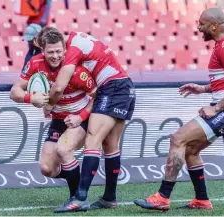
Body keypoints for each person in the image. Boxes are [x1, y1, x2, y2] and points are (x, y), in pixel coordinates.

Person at [133, 7, 224, 211]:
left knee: (178, 139)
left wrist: (216, 108)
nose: (199, 27)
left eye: (202, 24)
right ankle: (202, 200)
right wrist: (203, 89)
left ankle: (162, 197)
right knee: (191, 150)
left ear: (214, 25)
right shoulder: (223, 44)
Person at [43, 29, 136, 212]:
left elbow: (59, 86)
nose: (56, 54)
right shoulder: (77, 38)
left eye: (57, 50)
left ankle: (81, 198)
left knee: (92, 141)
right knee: (110, 145)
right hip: (123, 86)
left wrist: (48, 105)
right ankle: (109, 198)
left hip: (112, 87)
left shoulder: (73, 48)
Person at [9, 28, 97, 204]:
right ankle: (75, 177)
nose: (56, 56)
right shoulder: (35, 63)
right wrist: (30, 97)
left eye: (59, 51)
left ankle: (77, 199)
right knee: (47, 169)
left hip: (80, 119)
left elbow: (97, 96)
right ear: (43, 50)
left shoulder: (76, 69)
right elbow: (14, 91)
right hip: (58, 120)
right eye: (51, 52)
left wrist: (81, 115)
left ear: (65, 49)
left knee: (64, 150)